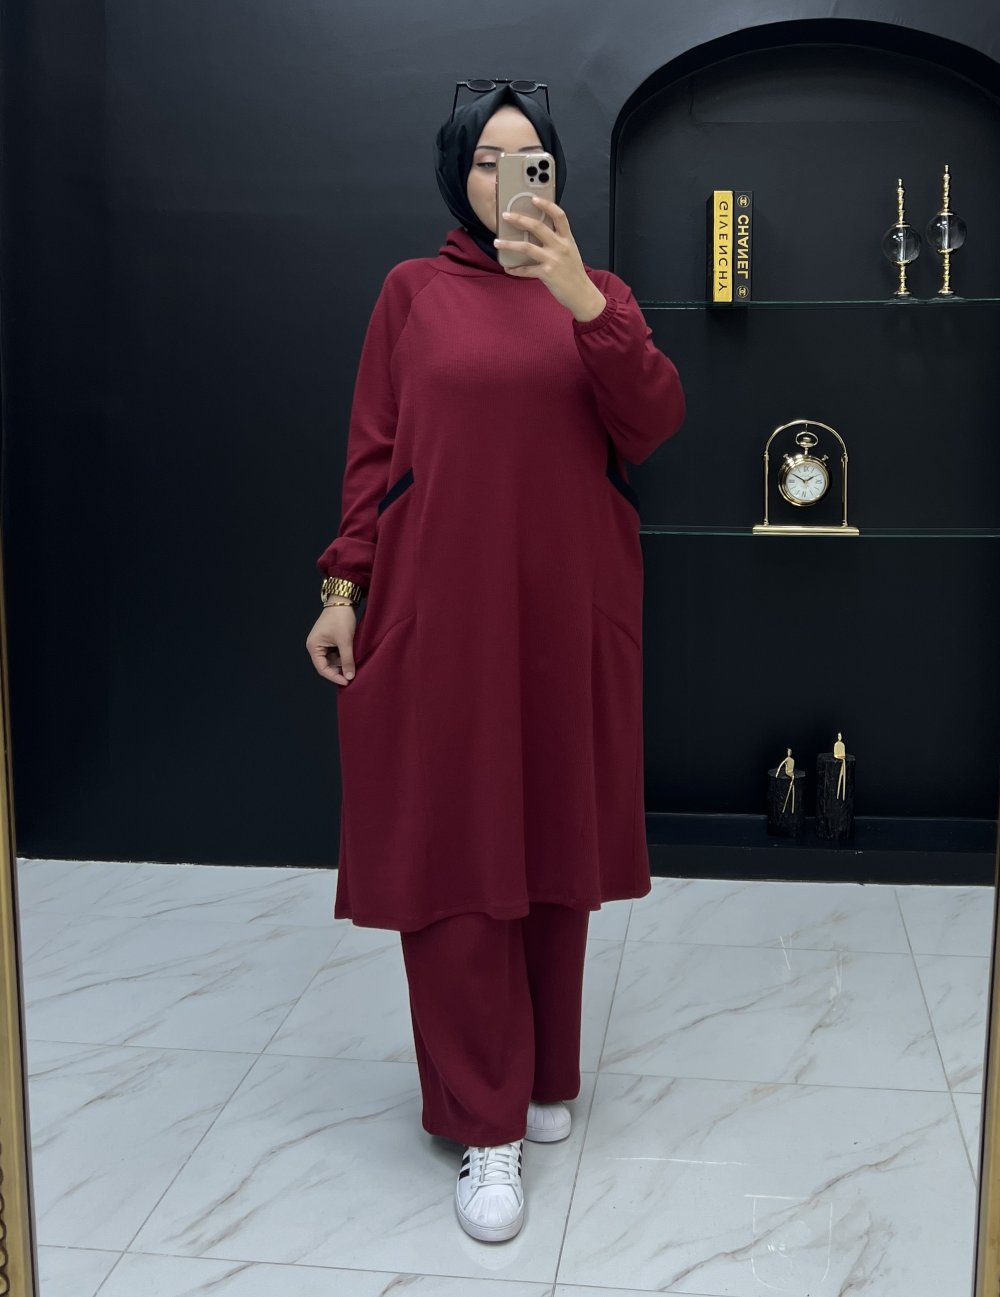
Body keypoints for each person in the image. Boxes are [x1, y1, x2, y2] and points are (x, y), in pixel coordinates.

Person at [305, 80, 685, 1244]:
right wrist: (343, 586)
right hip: (444, 611)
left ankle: (543, 1071)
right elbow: (374, 453)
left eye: (530, 160)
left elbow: (653, 420)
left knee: (555, 837)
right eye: (486, 158)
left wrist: (581, 299)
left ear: (555, 179)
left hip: (568, 608)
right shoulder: (410, 294)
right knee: (459, 850)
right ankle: (483, 1119)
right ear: (456, 175)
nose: (508, 178)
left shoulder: (598, 295)